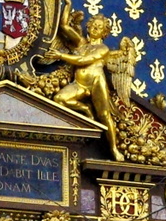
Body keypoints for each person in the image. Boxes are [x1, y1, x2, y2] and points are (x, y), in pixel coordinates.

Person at [42, 10, 124, 160]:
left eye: (99, 27)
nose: (95, 28)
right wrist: (67, 6)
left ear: (104, 32)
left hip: (96, 83)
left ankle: (113, 148)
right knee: (59, 99)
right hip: (79, 83)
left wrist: (60, 55)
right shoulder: (82, 44)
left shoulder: (103, 49)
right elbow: (64, 26)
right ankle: (85, 109)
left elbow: (83, 61)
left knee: (104, 115)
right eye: (93, 25)